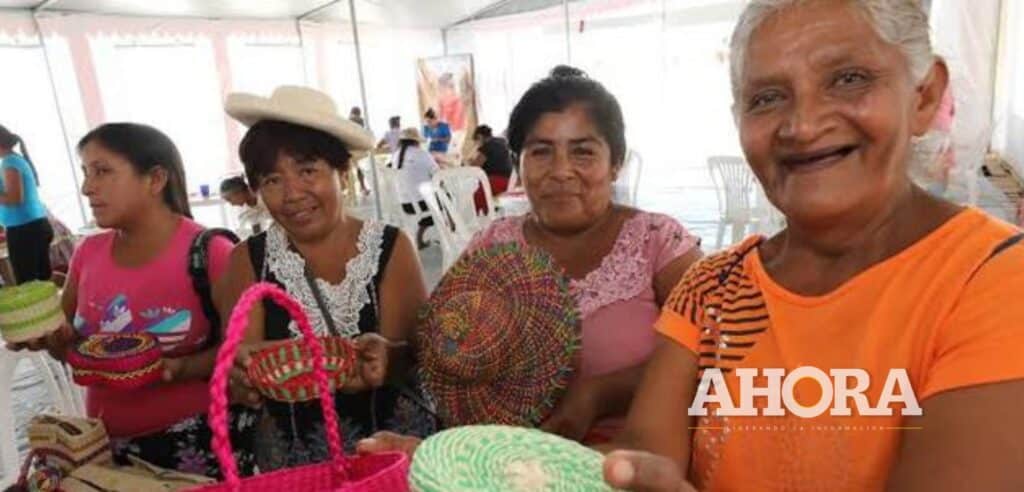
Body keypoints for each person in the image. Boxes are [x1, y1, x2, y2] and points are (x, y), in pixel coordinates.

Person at [598, 1, 1024, 490]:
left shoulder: (994, 281)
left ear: (924, 96)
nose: (802, 125)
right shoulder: (711, 290)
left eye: (848, 78)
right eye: (766, 98)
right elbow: (647, 460)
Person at [358, 65, 704, 453]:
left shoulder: (657, 242)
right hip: (511, 465)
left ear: (616, 161)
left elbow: (716, 356)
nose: (560, 171)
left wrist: (600, 394)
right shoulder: (493, 244)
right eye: (540, 152)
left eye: (583, 152)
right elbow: (445, 339)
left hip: (637, 465)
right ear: (518, 162)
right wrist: (396, 356)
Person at [7, 123, 256, 478]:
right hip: (107, 450)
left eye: (103, 171)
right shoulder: (87, 254)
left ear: (155, 180)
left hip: (198, 449)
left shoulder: (212, 253)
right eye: (86, 173)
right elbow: (72, 349)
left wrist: (179, 368)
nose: (87, 187)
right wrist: (50, 338)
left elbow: (244, 354)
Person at [220, 85, 437, 470]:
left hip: (385, 450)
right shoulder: (247, 261)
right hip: (293, 462)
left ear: (342, 171)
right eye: (272, 180)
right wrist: (241, 378)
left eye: (307, 171)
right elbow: (240, 365)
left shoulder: (390, 247)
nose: (292, 194)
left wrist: (389, 356)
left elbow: (420, 354)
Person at [0, 125, 53, 284]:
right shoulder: (15, 160)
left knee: (29, 285)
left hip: (25, 230)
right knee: (43, 280)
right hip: (33, 226)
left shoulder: (9, 162)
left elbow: (15, 198)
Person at [389, 127, 439, 249]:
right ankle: (450, 232)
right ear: (416, 141)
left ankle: (420, 238)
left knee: (437, 200)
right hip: (421, 204)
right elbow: (438, 175)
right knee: (447, 200)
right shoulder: (422, 154)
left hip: (404, 203)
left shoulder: (395, 156)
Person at [468, 124, 514, 209]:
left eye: (476, 140)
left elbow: (475, 166)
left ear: (480, 137)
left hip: (496, 180)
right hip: (510, 180)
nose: (477, 144)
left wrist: (470, 162)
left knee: (475, 200)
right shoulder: (502, 141)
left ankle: (483, 220)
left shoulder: (487, 146)